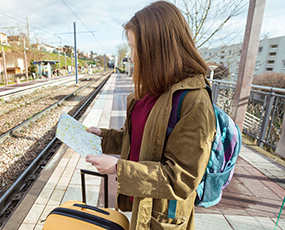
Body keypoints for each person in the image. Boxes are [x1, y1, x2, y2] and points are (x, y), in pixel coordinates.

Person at [85, 1, 216, 229]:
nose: (132, 58)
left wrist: (118, 169)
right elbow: (141, 136)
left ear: (159, 49)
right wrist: (104, 137)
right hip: (140, 203)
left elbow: (182, 179)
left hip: (162, 217)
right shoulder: (151, 89)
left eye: (136, 49)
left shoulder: (194, 101)